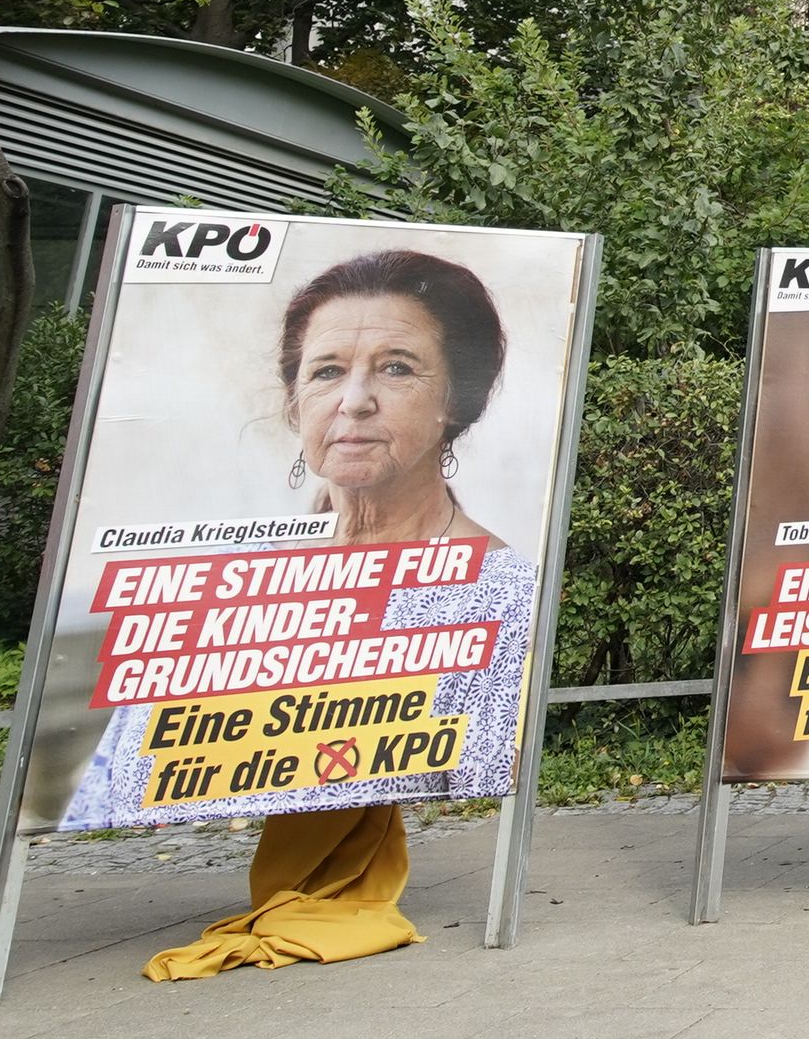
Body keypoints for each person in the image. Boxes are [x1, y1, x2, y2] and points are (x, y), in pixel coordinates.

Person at [75, 248, 538, 830]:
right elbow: (106, 790)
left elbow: (480, 805)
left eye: (397, 367)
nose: (355, 400)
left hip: (361, 897)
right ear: (295, 403)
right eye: (326, 371)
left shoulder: (501, 593)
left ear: (456, 397)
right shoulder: (219, 576)